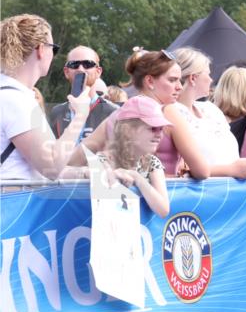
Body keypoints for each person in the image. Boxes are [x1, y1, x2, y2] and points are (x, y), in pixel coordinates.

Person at [72, 48, 211, 179]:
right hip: (164, 199)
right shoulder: (168, 112)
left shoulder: (117, 115)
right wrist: (231, 169)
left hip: (124, 198)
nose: (179, 87)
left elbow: (73, 160)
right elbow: (202, 171)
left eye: (179, 80)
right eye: (172, 80)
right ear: (150, 81)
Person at [0, 14, 91, 180]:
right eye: (54, 49)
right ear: (41, 49)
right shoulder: (15, 100)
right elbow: (51, 167)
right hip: (15, 204)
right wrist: (80, 115)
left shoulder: (9, 94)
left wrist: (88, 173)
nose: (53, 55)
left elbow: (36, 168)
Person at [170, 48, 246, 183]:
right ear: (193, 78)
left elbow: (230, 157)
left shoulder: (211, 109)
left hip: (228, 192)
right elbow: (181, 168)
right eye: (208, 74)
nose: (211, 79)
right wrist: (231, 170)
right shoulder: (172, 112)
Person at [65, 96, 171, 217]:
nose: (159, 135)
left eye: (161, 129)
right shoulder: (104, 160)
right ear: (128, 130)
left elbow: (163, 210)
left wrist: (137, 178)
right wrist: (93, 172)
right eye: (153, 128)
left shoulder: (152, 162)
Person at [48, 45, 119, 142]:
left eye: (88, 64)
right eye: (74, 64)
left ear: (98, 72)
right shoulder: (57, 112)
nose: (80, 69)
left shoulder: (113, 112)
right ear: (66, 72)